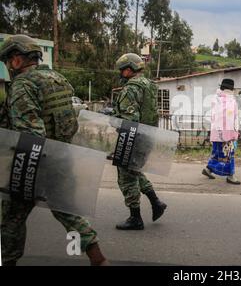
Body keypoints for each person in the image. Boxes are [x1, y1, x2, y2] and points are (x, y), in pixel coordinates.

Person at [0, 34, 108, 266]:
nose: (8, 66)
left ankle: (7, 262)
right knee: (68, 213)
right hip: (60, 158)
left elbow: (31, 134)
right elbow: (69, 122)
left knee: (11, 219)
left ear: (17, 59)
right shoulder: (57, 78)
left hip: (33, 163)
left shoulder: (23, 85)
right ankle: (99, 260)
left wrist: (20, 175)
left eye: (9, 60)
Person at [113, 53, 166, 230]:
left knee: (126, 178)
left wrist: (113, 120)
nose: (121, 73)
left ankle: (135, 218)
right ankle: (156, 202)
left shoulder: (131, 88)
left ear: (129, 69)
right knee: (134, 171)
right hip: (147, 136)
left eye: (122, 70)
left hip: (133, 138)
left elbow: (130, 119)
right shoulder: (149, 85)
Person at [202, 79, 240, 185]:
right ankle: (230, 176)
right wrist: (236, 133)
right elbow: (234, 118)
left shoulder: (215, 99)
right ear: (231, 89)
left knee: (216, 153)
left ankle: (208, 169)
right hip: (228, 134)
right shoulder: (231, 101)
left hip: (216, 133)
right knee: (228, 155)